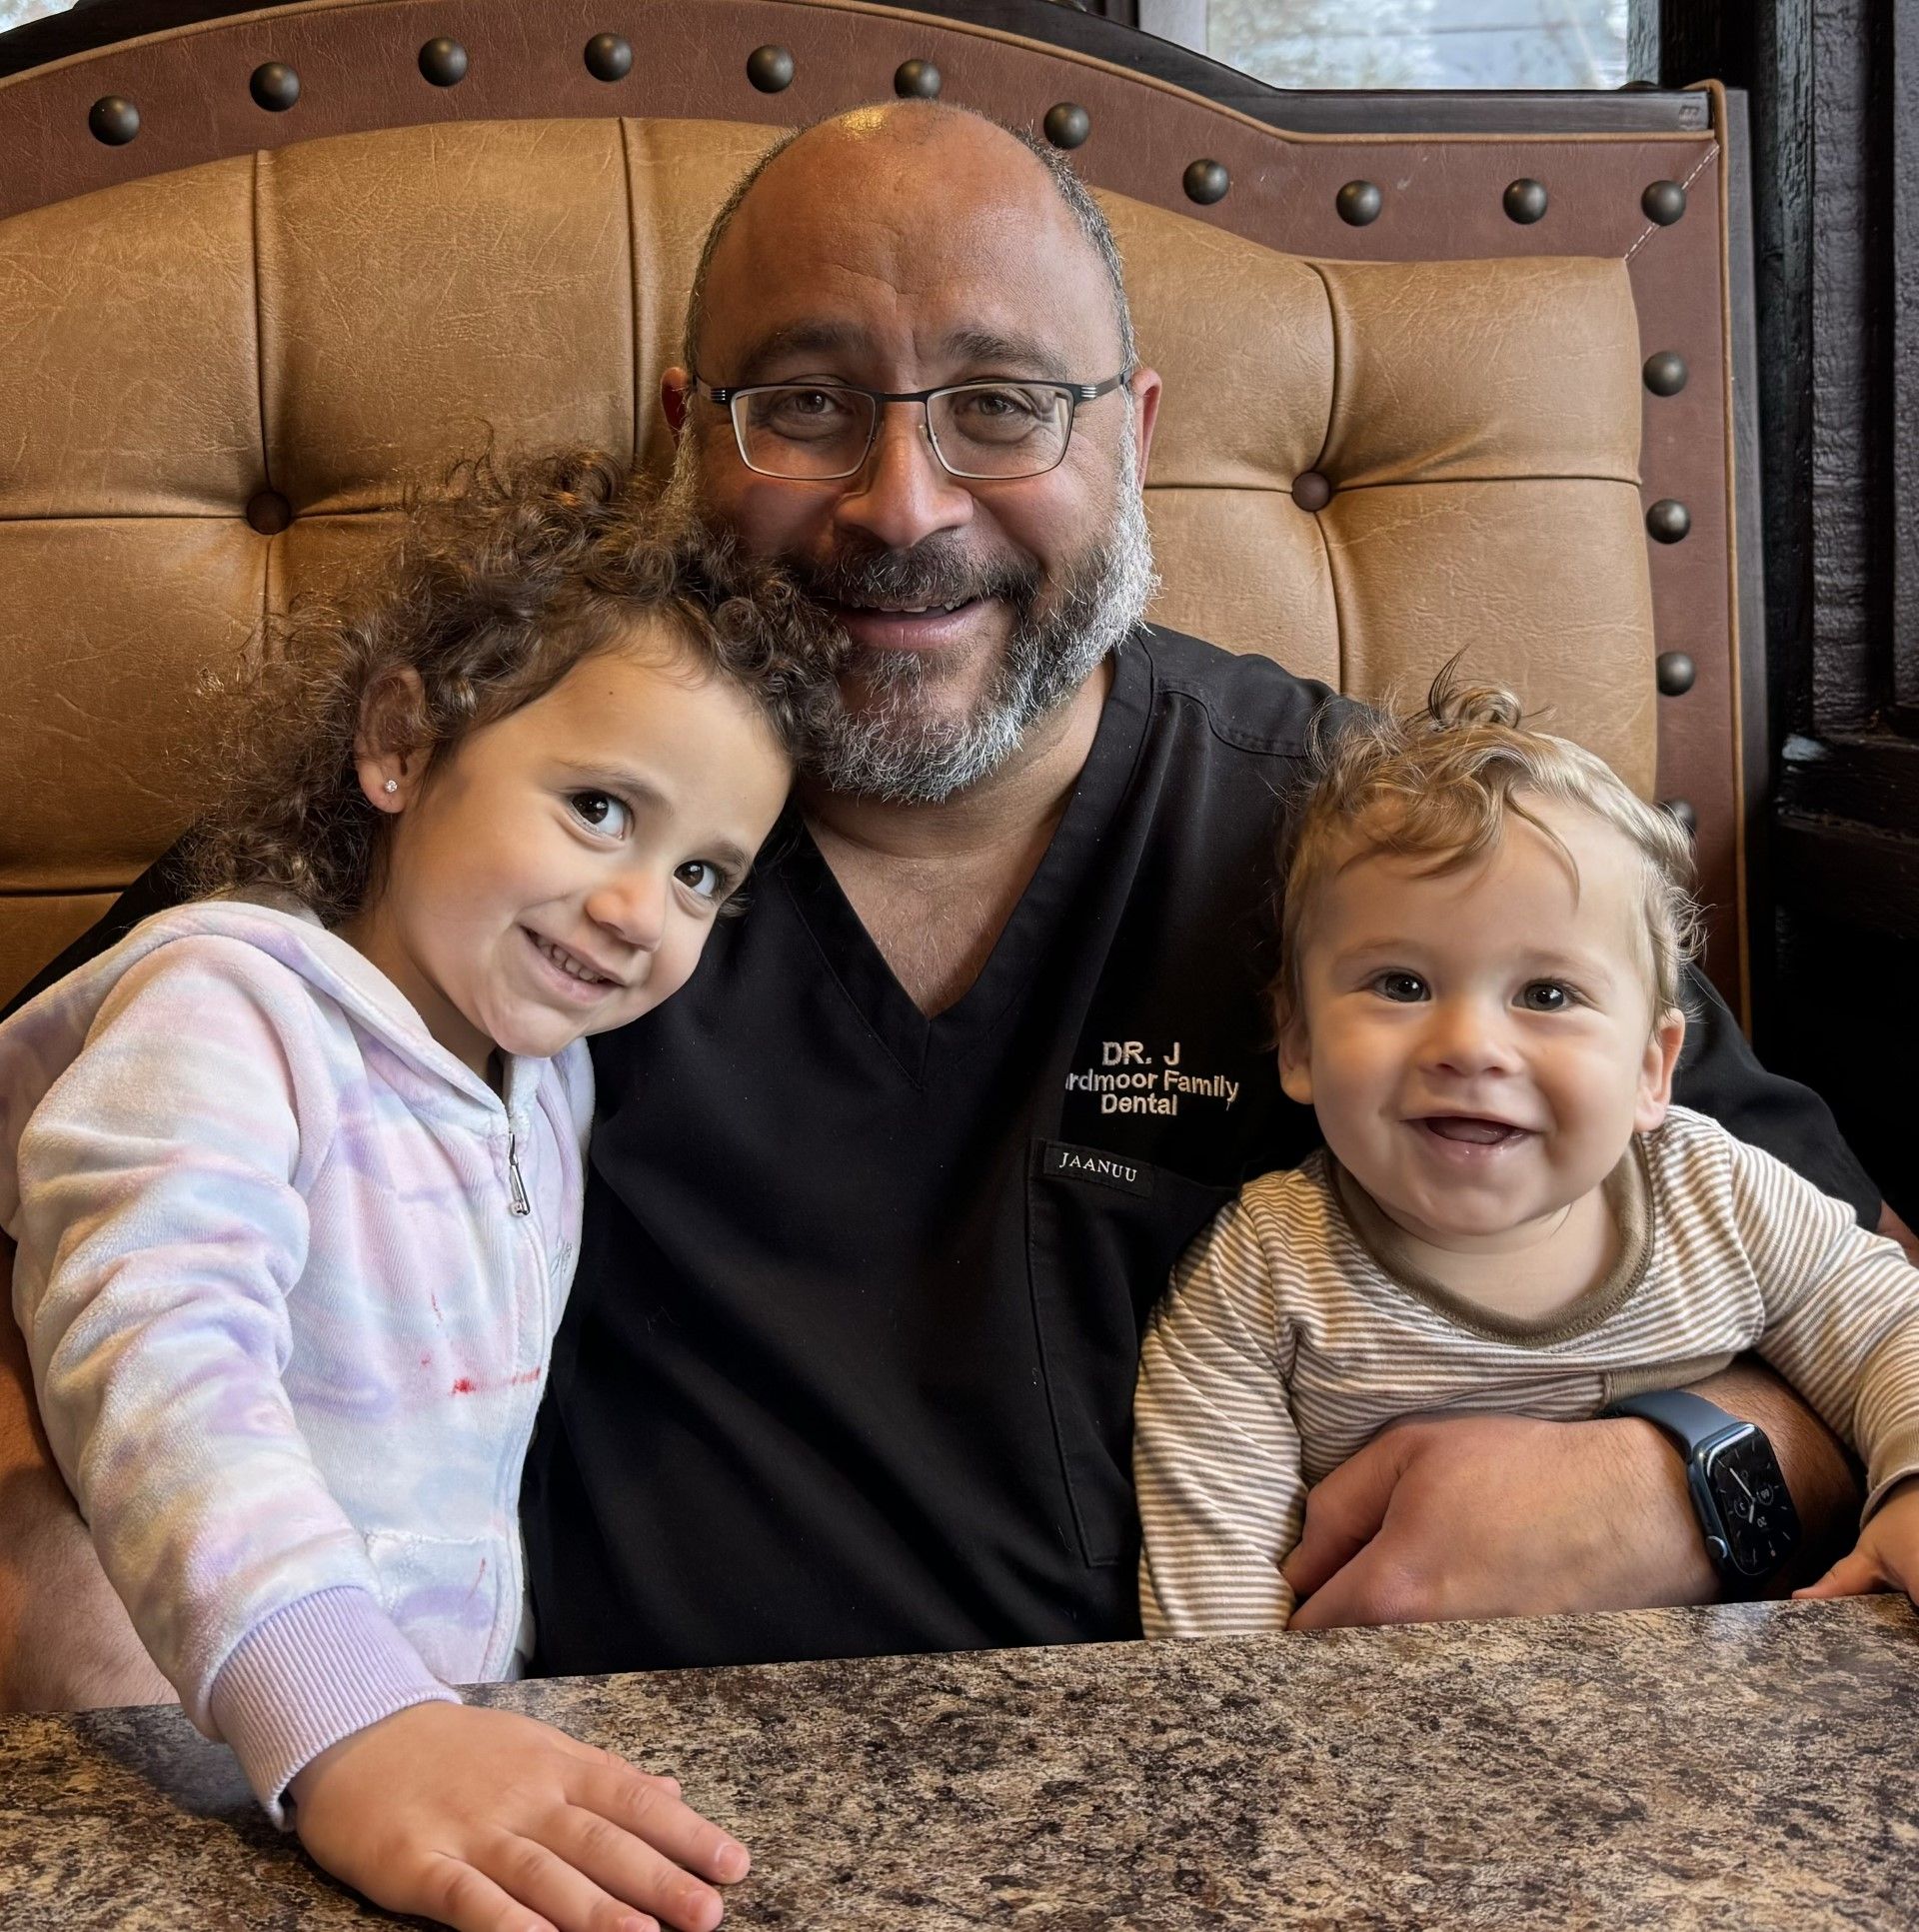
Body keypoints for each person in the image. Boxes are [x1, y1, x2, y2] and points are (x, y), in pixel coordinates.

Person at [0, 96, 1902, 1922]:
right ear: (691, 434)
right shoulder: (488, 818)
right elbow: (93, 1217)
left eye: (1003, 404)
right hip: (585, 1835)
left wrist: (1689, 1481)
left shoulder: (1371, 852)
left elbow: (1837, 1270)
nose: (904, 501)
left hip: (1276, 1822)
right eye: (806, 404)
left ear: (1136, 435)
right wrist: (152, 1604)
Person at [0, 451, 818, 1932]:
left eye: (705, 875)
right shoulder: (229, 1007)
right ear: (399, 742)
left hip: (416, 1763)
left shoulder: (543, 1078)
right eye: (598, 808)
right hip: (189, 1745)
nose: (642, 908)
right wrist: (352, 1712)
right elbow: (157, 1350)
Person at [1133, 677, 1919, 1635]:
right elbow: (1214, 1587)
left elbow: (1889, 1328)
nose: (1468, 1044)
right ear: (1297, 1042)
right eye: (1401, 981)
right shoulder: (1262, 1274)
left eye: (1547, 995)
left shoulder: (1718, 1195)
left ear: (1651, 1068)